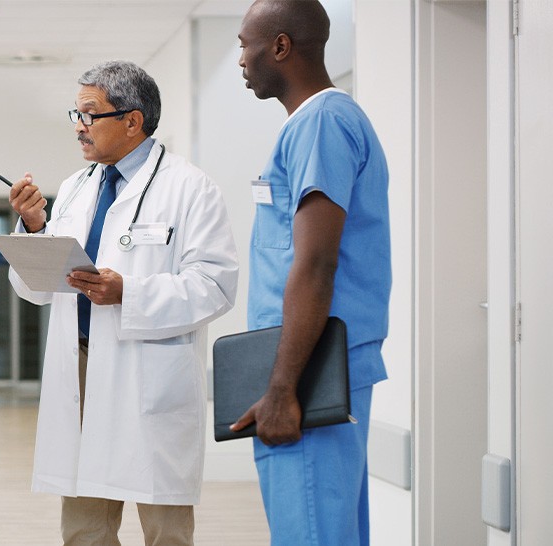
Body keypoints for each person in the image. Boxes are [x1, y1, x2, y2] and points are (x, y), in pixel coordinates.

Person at [7, 60, 239, 546]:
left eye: (90, 114)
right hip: (82, 365)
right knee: (85, 527)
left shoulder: (189, 187)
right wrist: (33, 231)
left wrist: (128, 293)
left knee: (165, 529)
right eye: (76, 113)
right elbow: (39, 288)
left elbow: (215, 285)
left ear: (132, 120)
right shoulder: (76, 187)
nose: (79, 126)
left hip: (149, 370)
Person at [232, 1, 391, 544]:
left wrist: (282, 388)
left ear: (280, 46)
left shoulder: (322, 122)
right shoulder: (319, 123)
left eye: (245, 45)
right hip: (317, 368)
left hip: (310, 375)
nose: (241, 60)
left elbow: (317, 262)